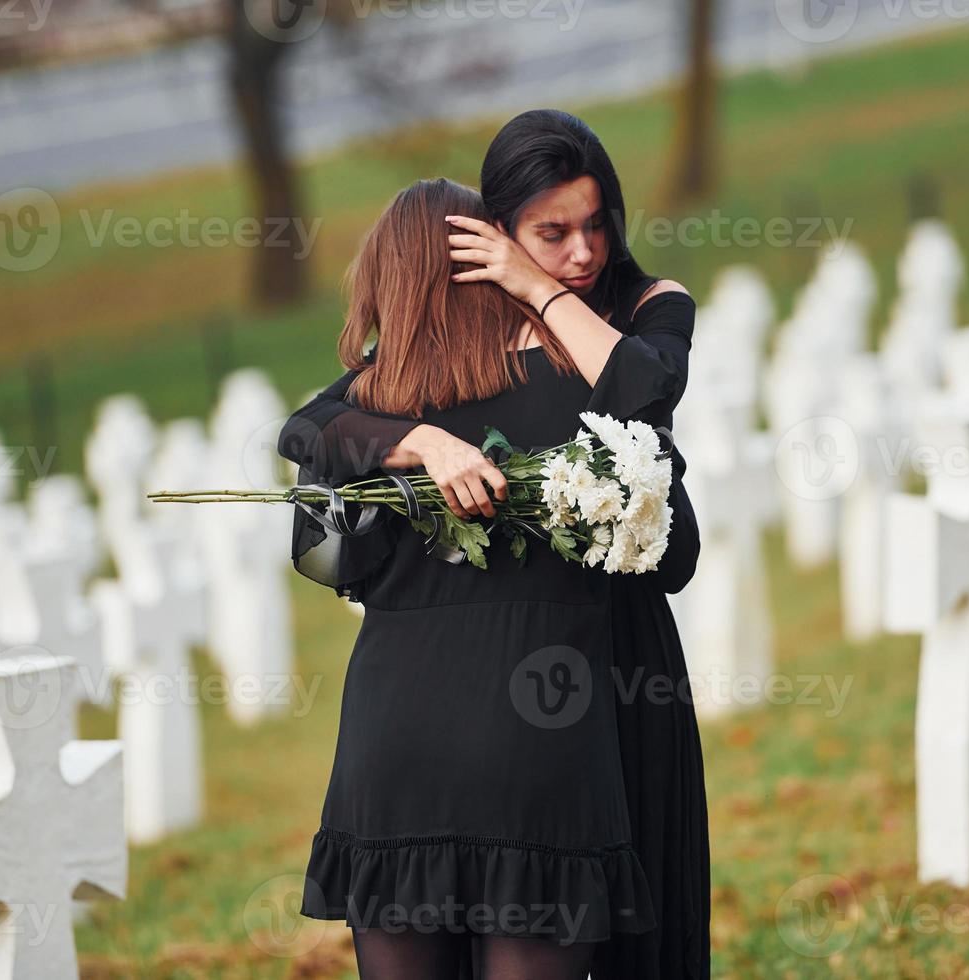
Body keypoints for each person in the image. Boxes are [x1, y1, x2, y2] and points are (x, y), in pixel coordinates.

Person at [279, 109, 710, 979]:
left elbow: (320, 535)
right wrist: (426, 444)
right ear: (486, 240)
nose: (584, 252)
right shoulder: (499, 393)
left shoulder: (390, 393)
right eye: (552, 235)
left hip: (401, 744)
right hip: (553, 721)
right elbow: (677, 549)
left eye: (597, 227)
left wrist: (415, 430)